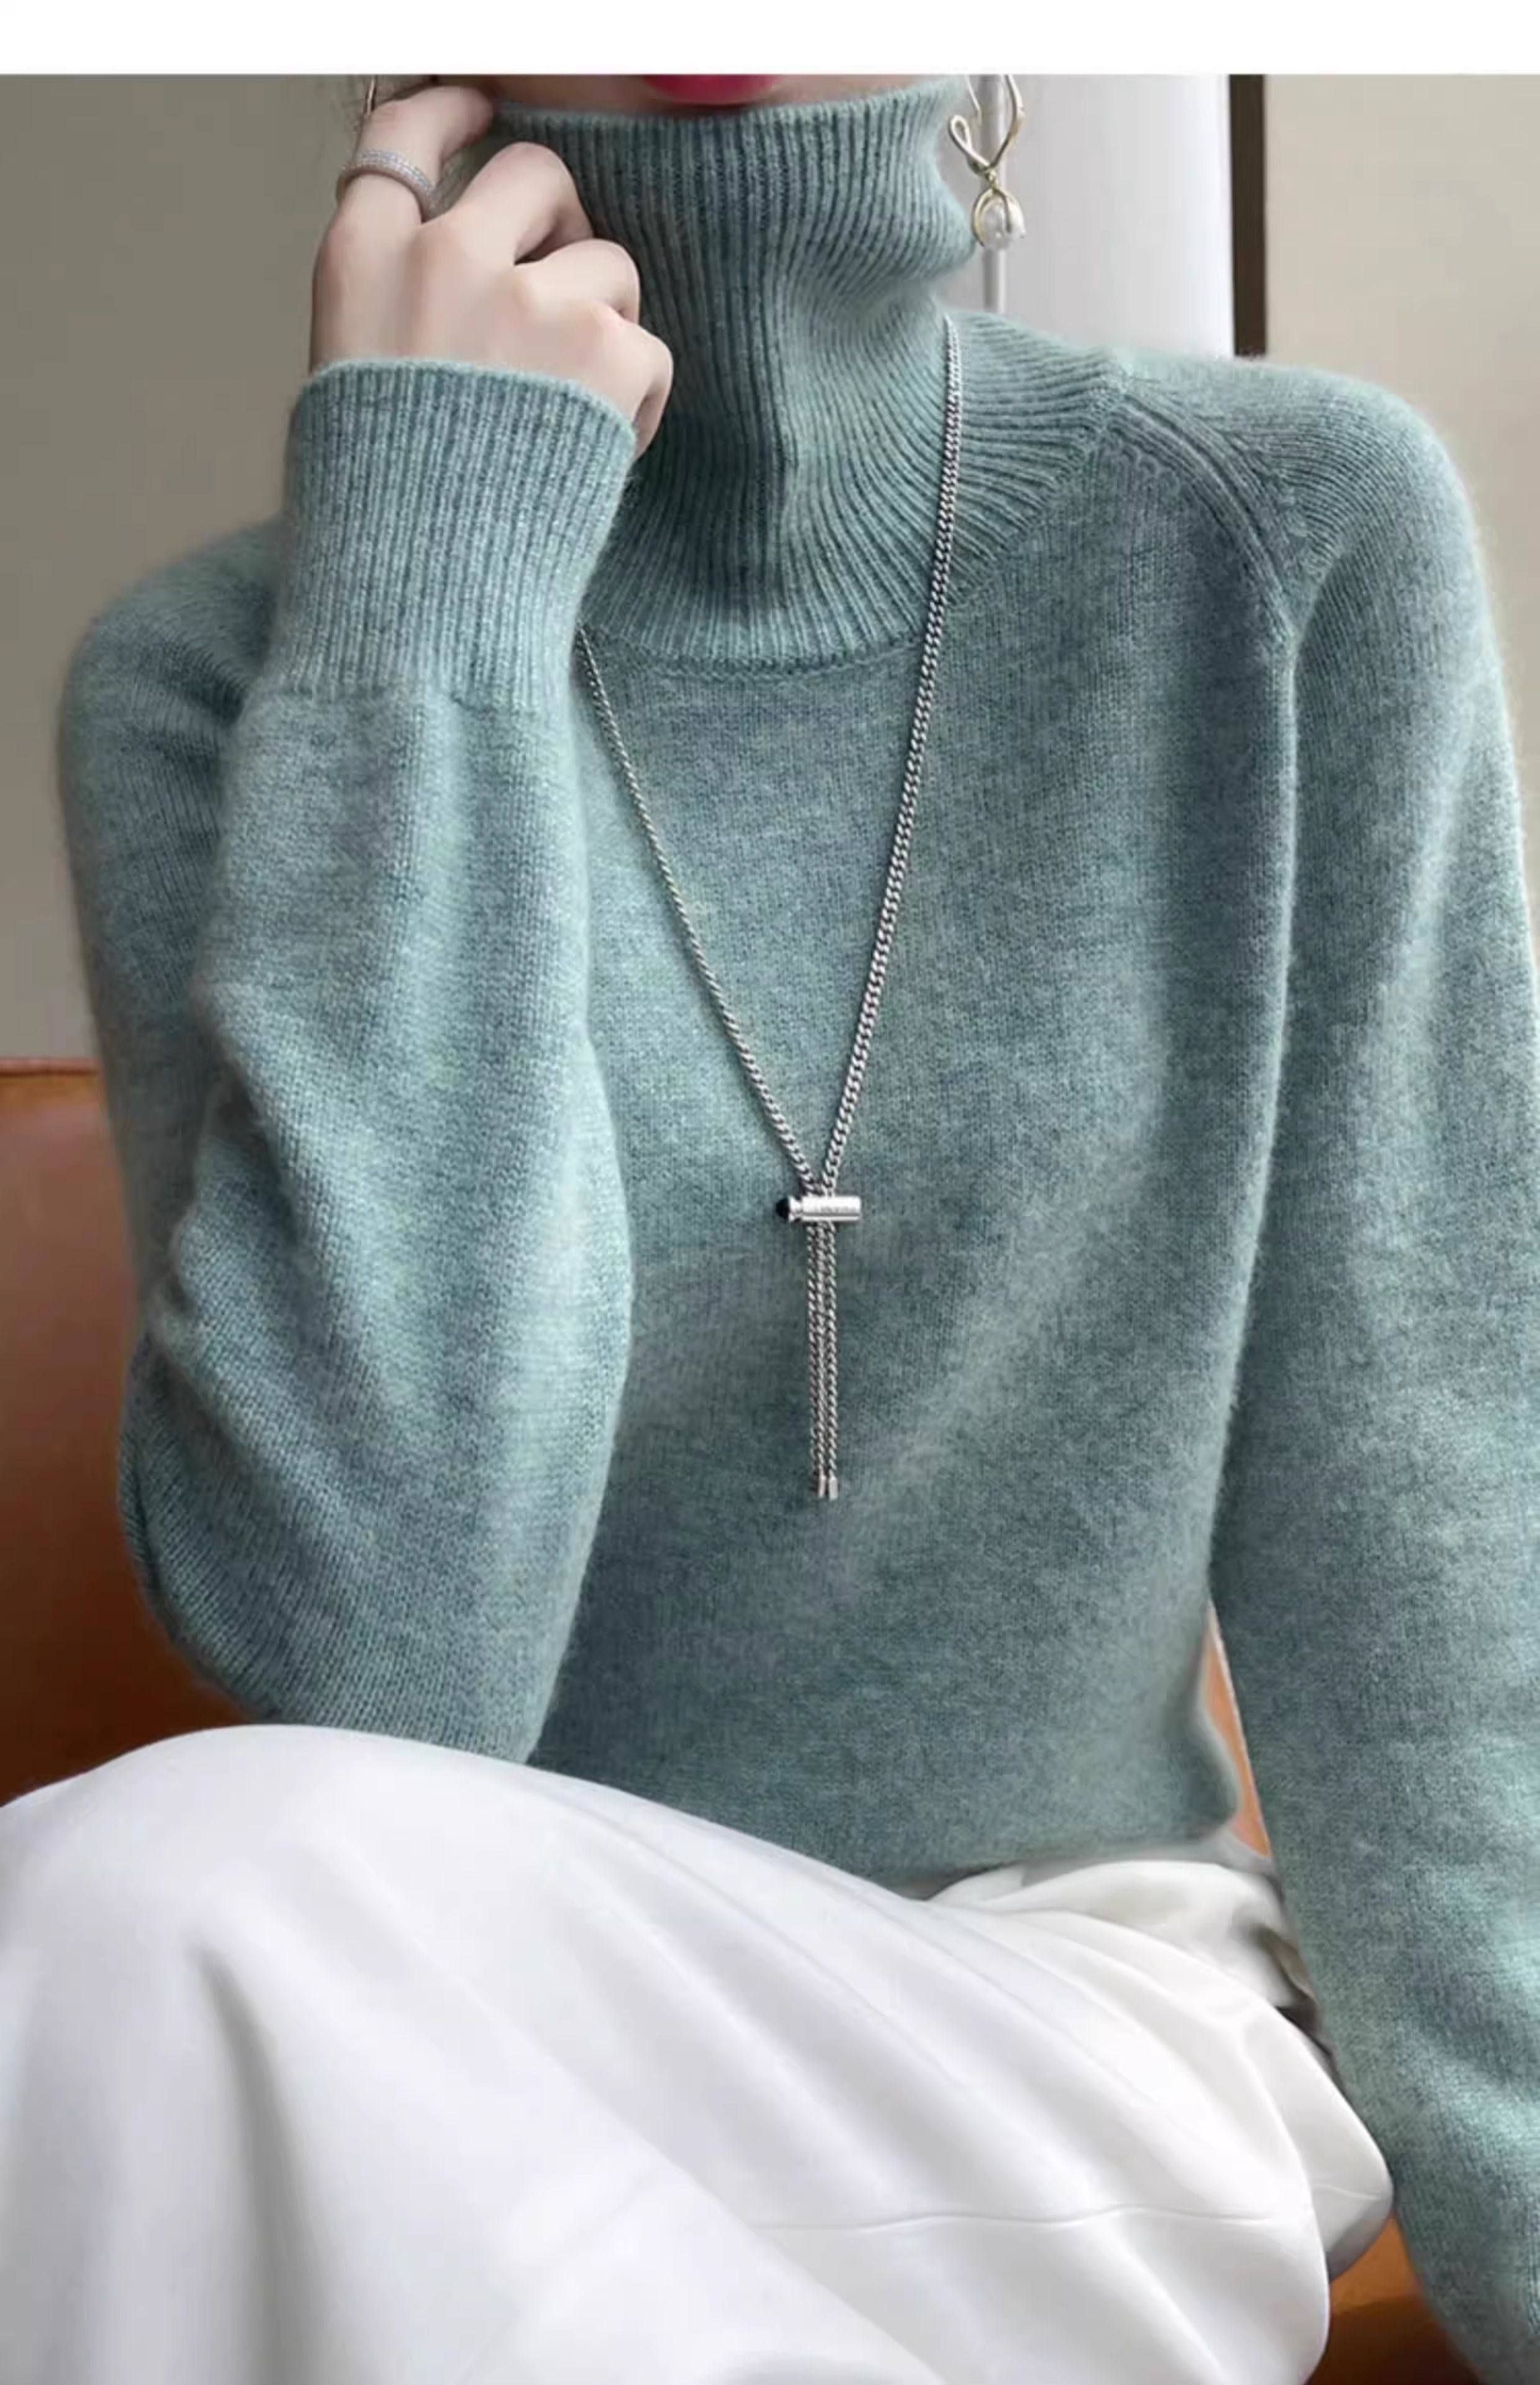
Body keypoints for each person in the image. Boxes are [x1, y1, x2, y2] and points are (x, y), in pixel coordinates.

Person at [1, 67, 1535, 2385]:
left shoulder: (1278, 538)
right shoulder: (231, 683)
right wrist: (430, 595)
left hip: (1072, 2008)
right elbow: (381, 1673)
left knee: (134, 1935)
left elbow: (1425, 1528)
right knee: (168, 1930)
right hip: (455, 2005)